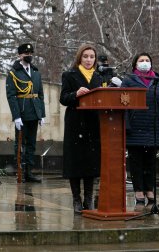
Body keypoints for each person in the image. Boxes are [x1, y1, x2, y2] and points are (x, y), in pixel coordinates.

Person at [121, 52, 159, 204]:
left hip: (153, 128)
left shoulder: (157, 82)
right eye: (141, 60)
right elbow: (122, 104)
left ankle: (149, 189)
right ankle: (138, 191)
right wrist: (126, 125)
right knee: (136, 162)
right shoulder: (129, 80)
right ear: (135, 64)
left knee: (150, 162)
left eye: (147, 60)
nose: (144, 62)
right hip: (135, 129)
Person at [59, 44, 102, 214]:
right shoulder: (69, 75)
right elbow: (63, 98)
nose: (89, 60)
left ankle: (89, 199)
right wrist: (76, 94)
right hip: (75, 123)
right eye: (85, 56)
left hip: (94, 124)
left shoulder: (99, 77)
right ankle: (76, 199)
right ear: (79, 58)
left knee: (91, 163)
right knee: (75, 162)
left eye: (92, 57)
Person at [5, 43, 46, 183]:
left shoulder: (35, 72)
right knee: (20, 144)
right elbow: (11, 96)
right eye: (26, 54)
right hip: (22, 113)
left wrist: (42, 114)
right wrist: (16, 116)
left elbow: (40, 94)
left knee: (31, 144)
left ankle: (29, 172)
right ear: (20, 55)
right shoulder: (14, 73)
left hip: (34, 112)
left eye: (30, 54)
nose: (29, 56)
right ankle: (20, 170)